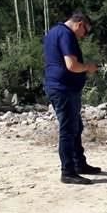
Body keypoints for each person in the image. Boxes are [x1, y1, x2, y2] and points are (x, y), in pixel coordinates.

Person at [43, 11, 99, 185]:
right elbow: (72, 65)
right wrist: (88, 67)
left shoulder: (54, 31)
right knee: (68, 130)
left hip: (60, 87)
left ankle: (78, 164)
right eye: (85, 31)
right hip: (63, 89)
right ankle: (68, 172)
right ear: (80, 24)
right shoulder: (66, 35)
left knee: (76, 127)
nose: (84, 36)